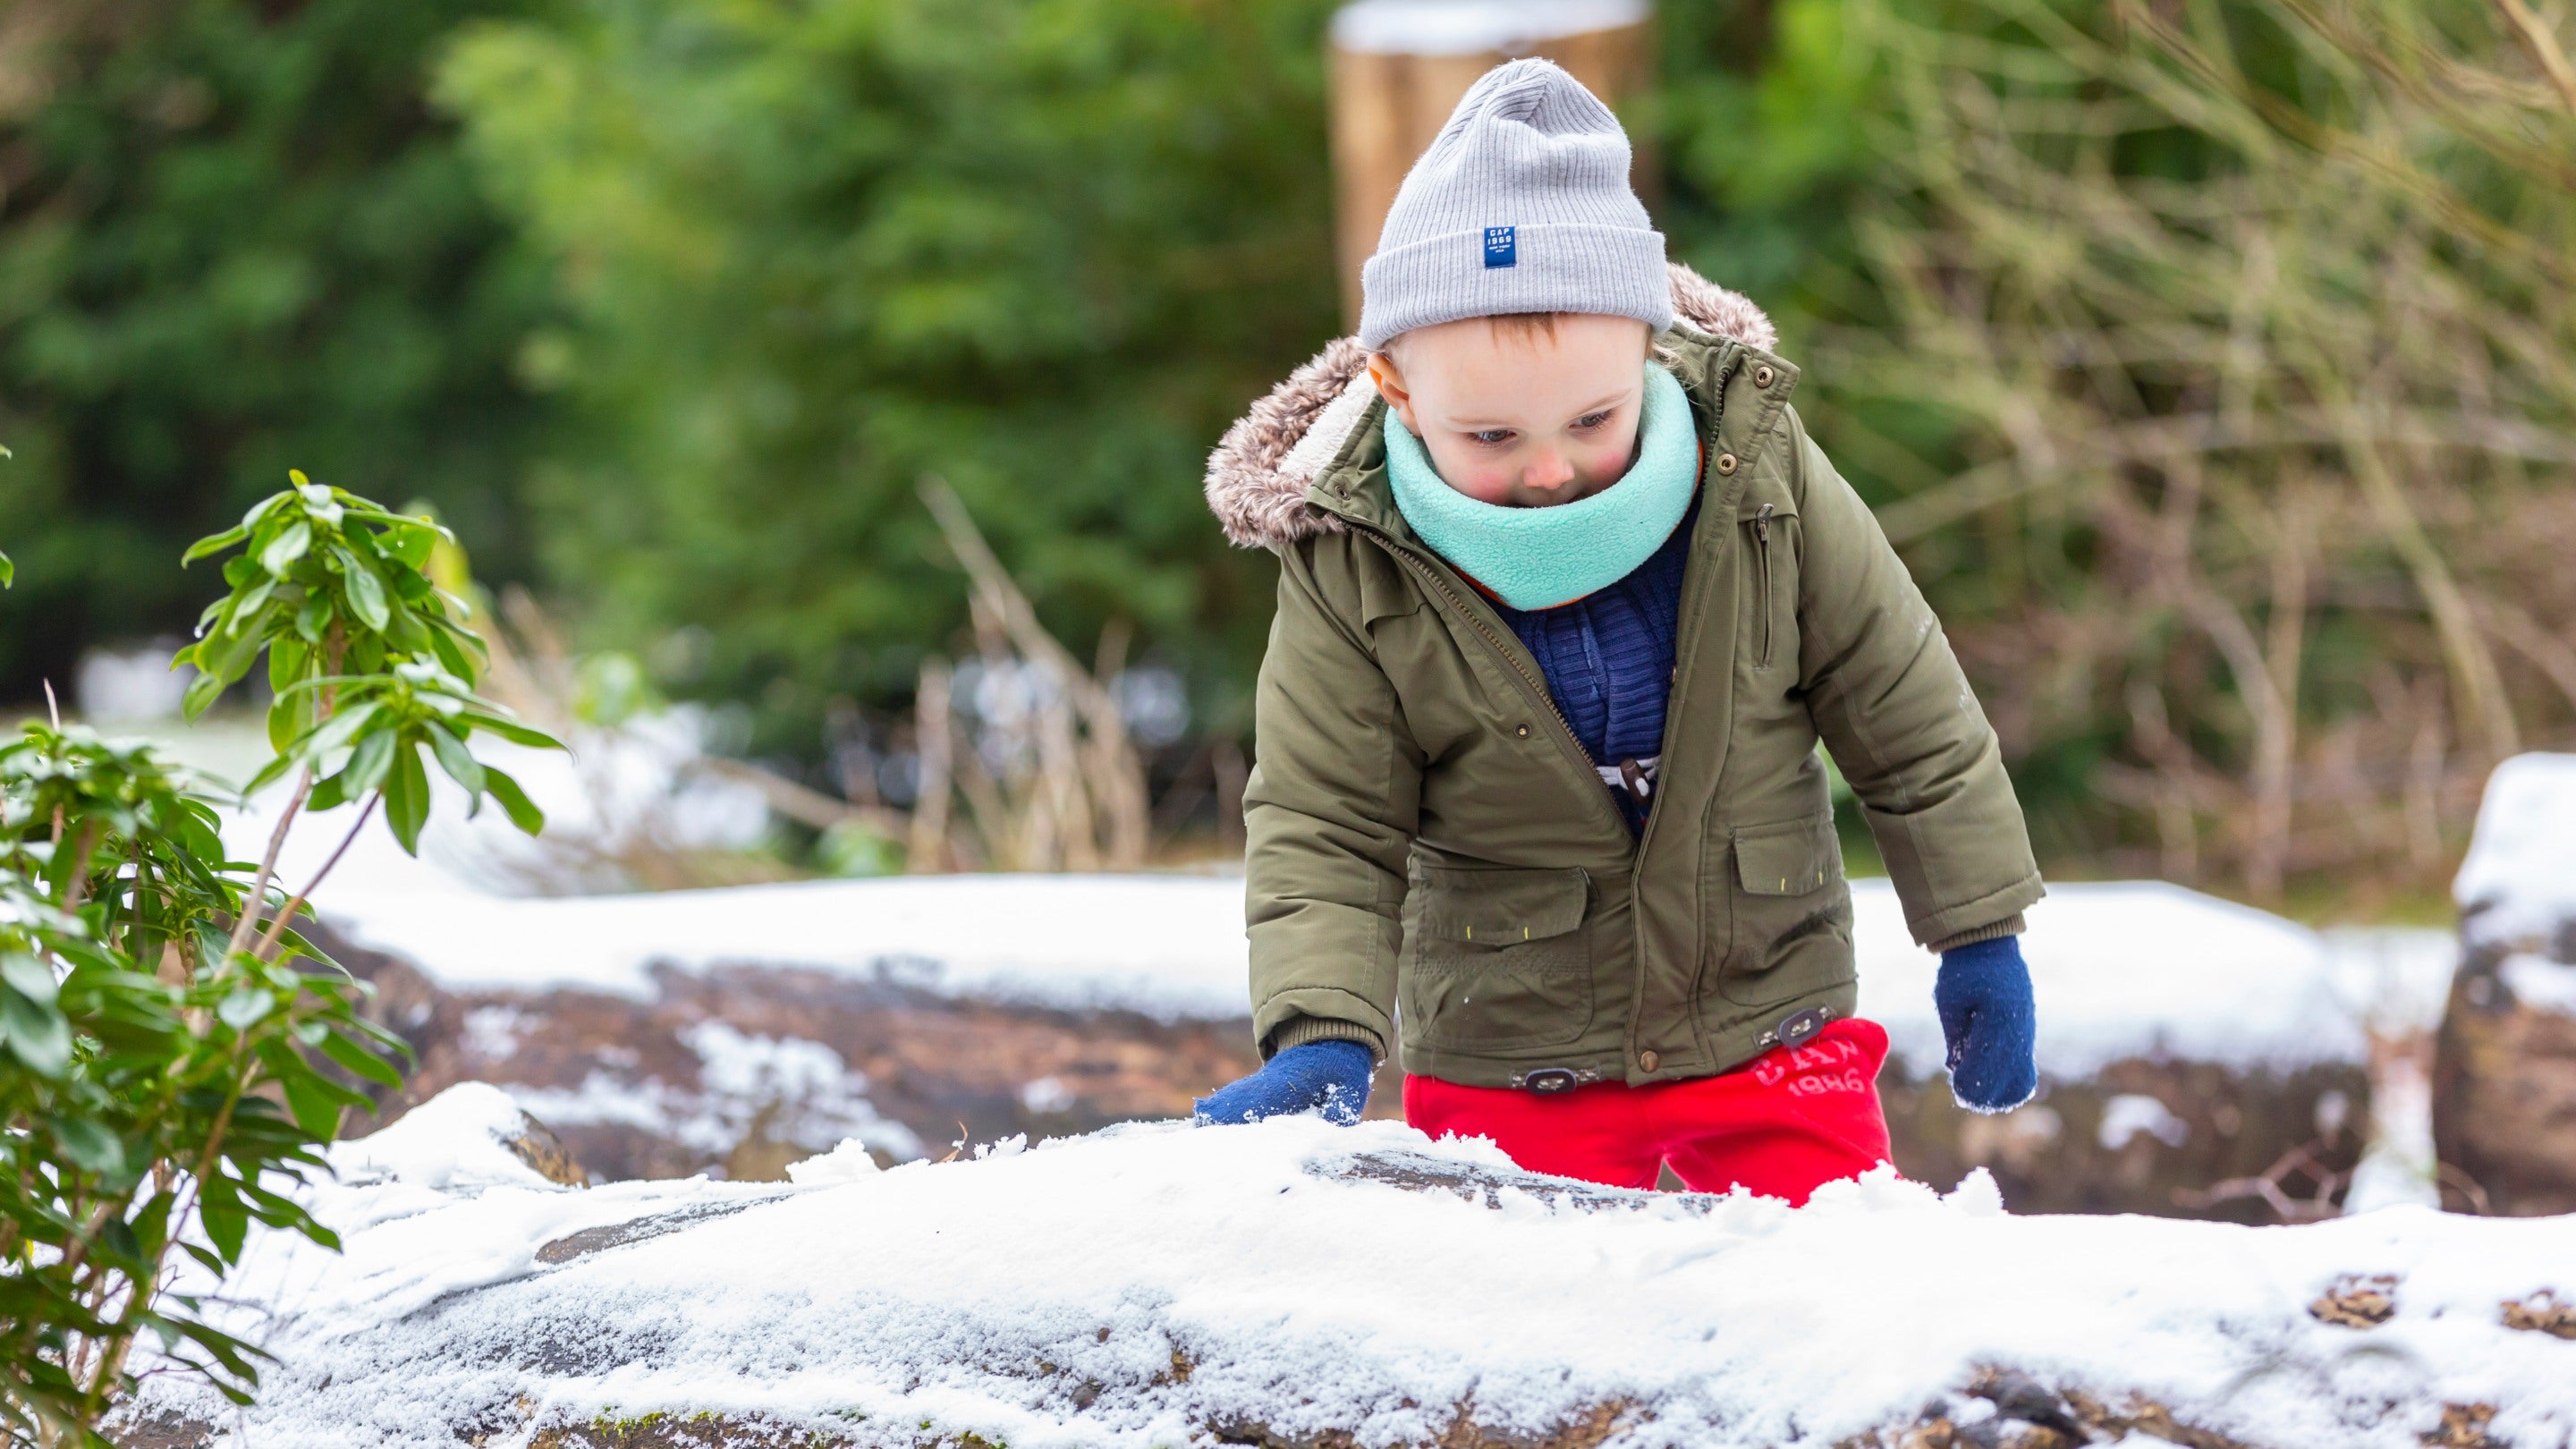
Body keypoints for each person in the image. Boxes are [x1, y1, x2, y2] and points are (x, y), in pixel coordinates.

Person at [1191, 57, 2042, 1205]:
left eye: (1594, 418)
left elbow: (1900, 697)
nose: (1549, 471)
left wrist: (1979, 928)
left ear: (1648, 345)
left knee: (1835, 1293)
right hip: (1510, 1057)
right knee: (1532, 1338)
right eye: (1489, 436)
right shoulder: (1351, 553)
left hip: (1769, 1023)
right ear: (1395, 385)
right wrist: (1321, 1030)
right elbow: (1324, 817)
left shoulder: (1762, 472)